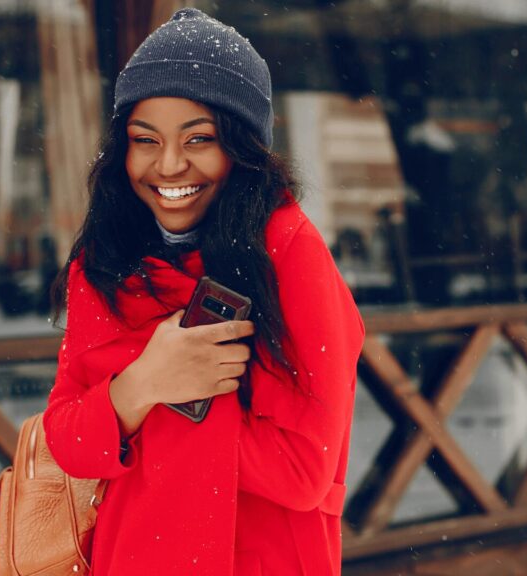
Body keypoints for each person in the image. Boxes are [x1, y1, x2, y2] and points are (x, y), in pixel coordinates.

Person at [42, 8, 364, 575]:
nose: (168, 165)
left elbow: (303, 470)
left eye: (199, 139)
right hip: (132, 559)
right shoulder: (105, 261)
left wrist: (136, 416)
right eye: (146, 140)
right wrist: (143, 384)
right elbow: (66, 444)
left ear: (242, 150)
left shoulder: (289, 252)